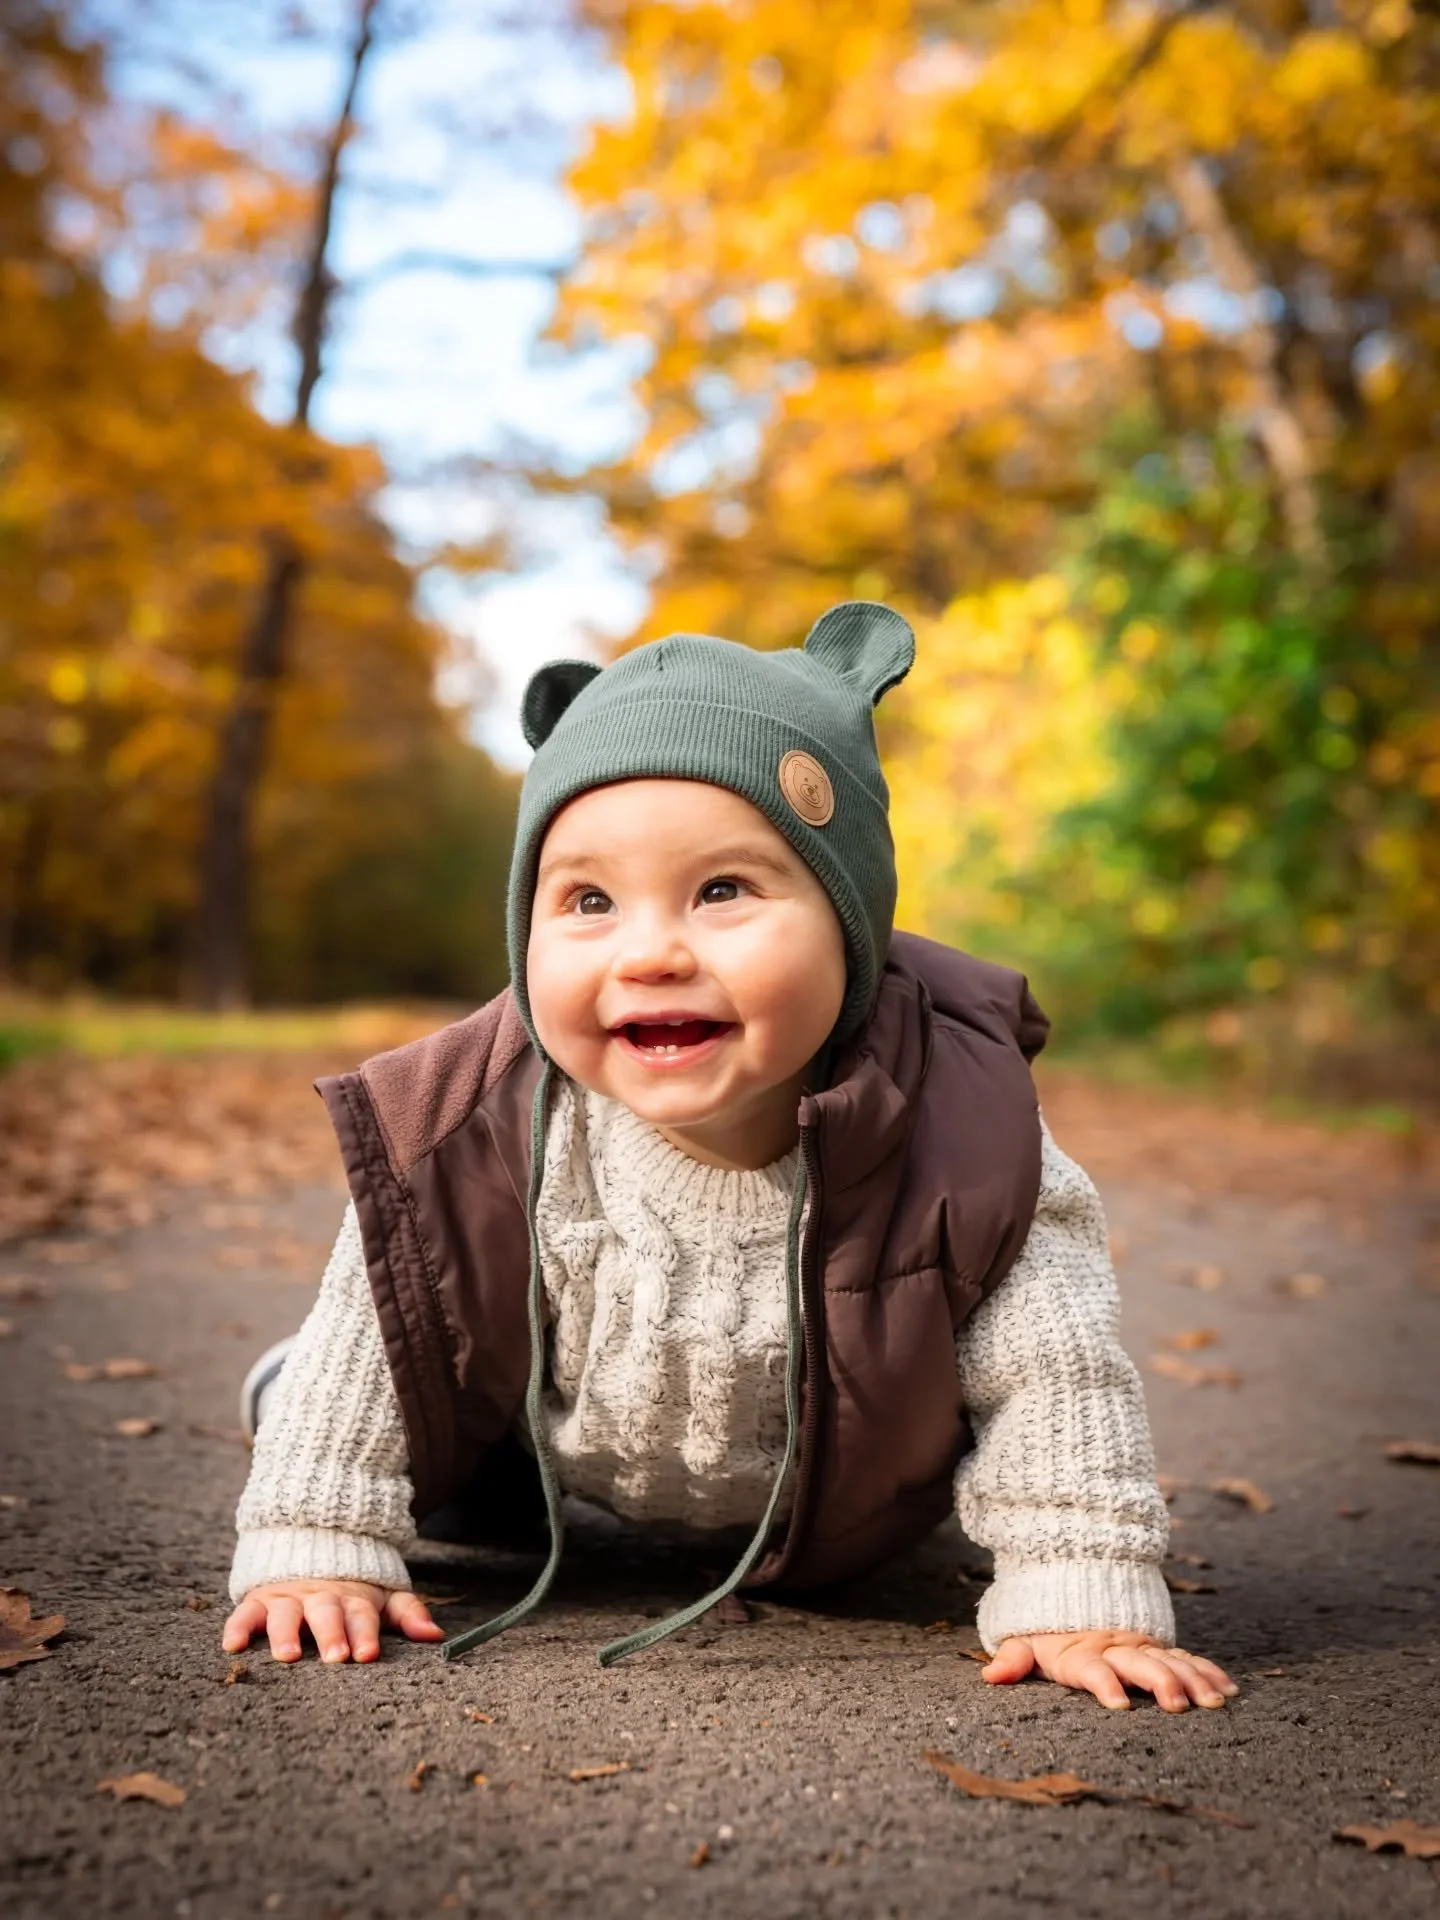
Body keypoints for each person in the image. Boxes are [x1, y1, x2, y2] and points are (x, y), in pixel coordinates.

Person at [223, 601, 1237, 1714]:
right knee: (377, 1418)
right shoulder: (480, 1124)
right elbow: (388, 1308)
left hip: (838, 1505)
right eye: (590, 902)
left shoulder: (968, 1139)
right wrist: (315, 1538)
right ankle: (311, 1421)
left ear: (851, 928)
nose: (652, 951)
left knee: (988, 1436)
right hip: (538, 1458)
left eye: (723, 891)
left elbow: (1055, 1372)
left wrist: (1079, 1587)